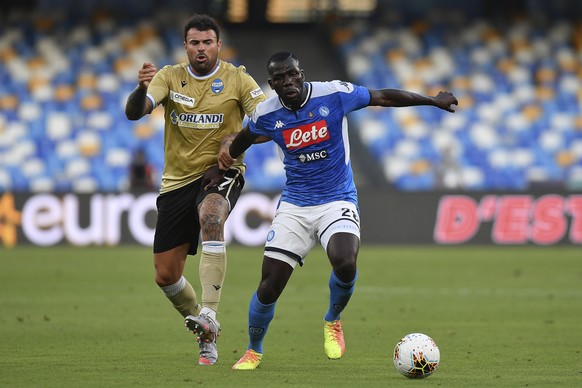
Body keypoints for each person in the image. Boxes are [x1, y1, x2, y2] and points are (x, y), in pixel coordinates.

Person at [215, 51, 458, 370]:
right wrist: (225, 159)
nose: (288, 81)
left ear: (301, 74)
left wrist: (432, 100)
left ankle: (333, 320)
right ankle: (254, 350)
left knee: (345, 261)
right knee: (269, 284)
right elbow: (245, 137)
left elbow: (382, 97)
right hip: (295, 205)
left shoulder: (334, 94)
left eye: (293, 74)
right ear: (272, 84)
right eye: (280, 78)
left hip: (337, 198)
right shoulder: (266, 113)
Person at [124, 14, 265, 366]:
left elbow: (268, 121)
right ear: (185, 46)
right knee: (166, 275)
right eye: (194, 43)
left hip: (221, 171)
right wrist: (141, 88)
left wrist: (236, 139)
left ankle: (211, 314)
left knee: (212, 216)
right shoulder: (169, 77)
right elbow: (135, 112)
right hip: (176, 182)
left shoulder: (237, 79)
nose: (201, 48)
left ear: (218, 44)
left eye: (207, 42)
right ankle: (207, 335)